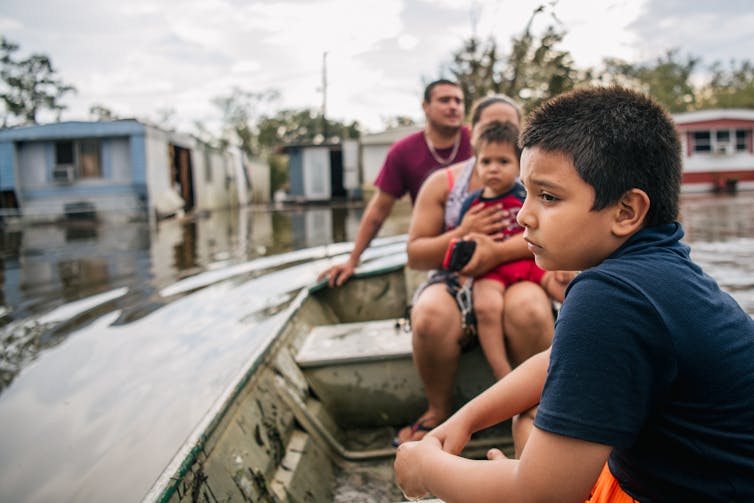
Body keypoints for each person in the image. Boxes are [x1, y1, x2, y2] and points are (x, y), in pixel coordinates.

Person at [394, 86, 754, 502]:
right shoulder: (660, 268)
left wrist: (427, 469)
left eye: (548, 196)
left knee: (527, 449)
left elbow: (541, 497)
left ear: (626, 211)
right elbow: (556, 359)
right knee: (528, 420)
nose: (523, 214)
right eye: (526, 191)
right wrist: (465, 419)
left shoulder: (610, 296)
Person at [395, 95, 556, 455]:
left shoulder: (537, 176)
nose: (498, 135)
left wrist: (496, 253)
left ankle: (544, 407)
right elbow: (415, 253)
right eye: (488, 127)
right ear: (474, 133)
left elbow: (554, 234)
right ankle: (438, 410)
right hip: (456, 277)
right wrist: (461, 231)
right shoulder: (445, 183)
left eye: (509, 128)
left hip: (518, 269)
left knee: (529, 308)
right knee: (430, 315)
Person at [317, 79, 472, 287]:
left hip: (480, 238)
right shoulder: (403, 152)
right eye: (445, 100)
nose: (453, 106)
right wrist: (353, 259)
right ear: (425, 106)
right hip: (433, 248)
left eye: (458, 101)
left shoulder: (479, 142)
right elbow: (379, 209)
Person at [456, 120, 573, 380]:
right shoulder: (471, 205)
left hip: (529, 261)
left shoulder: (526, 195)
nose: (493, 169)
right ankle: (503, 373)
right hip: (491, 271)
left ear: (520, 165)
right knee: (486, 307)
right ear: (476, 164)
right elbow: (465, 246)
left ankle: (583, 345)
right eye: (486, 162)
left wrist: (563, 263)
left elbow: (549, 231)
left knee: (570, 290)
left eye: (503, 162)